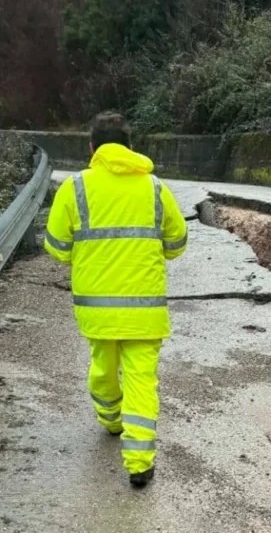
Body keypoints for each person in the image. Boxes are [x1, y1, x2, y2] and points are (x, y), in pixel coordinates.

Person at [43, 111, 187, 487]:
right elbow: (177, 243)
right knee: (142, 381)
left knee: (103, 370)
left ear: (92, 148)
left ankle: (110, 420)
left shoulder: (74, 188)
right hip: (145, 312)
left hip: (96, 310)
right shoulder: (155, 188)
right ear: (130, 147)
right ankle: (139, 464)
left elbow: (57, 247)